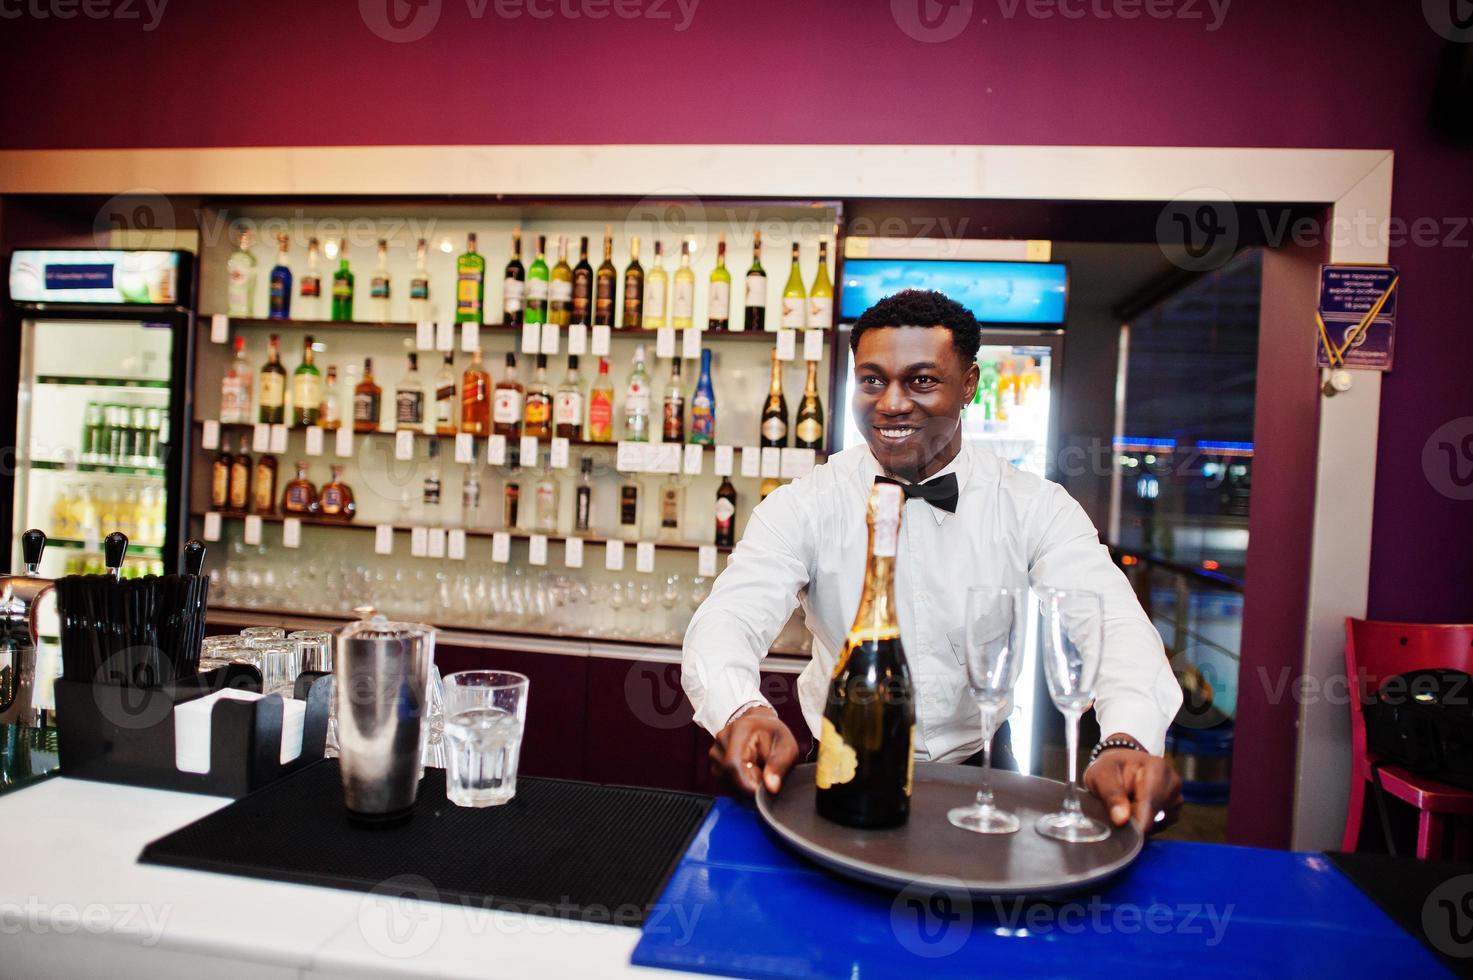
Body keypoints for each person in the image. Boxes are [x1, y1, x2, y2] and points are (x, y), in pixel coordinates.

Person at [681, 289, 1184, 832]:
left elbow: (1112, 622)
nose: (892, 402)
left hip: (983, 772)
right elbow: (728, 619)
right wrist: (741, 710)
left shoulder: (1034, 506)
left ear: (969, 384)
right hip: (840, 766)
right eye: (873, 379)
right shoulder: (803, 505)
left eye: (921, 380)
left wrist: (1127, 738)